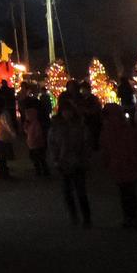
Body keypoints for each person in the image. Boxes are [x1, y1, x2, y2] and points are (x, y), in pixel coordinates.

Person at [48, 97, 91, 227]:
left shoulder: (80, 126)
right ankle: (73, 216)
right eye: (65, 111)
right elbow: (52, 144)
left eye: (69, 111)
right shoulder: (56, 127)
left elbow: (86, 143)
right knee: (67, 192)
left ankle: (86, 218)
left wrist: (84, 158)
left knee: (81, 192)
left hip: (78, 162)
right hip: (63, 162)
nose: (67, 113)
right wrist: (55, 159)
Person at [101, 103, 137, 228]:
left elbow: (106, 149)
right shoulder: (126, 128)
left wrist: (107, 162)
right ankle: (131, 217)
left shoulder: (109, 130)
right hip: (127, 164)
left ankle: (129, 217)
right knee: (129, 192)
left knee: (125, 192)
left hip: (120, 164)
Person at [23, 105, 49, 177]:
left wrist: (35, 139)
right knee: (35, 159)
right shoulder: (30, 123)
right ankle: (38, 171)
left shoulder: (36, 123)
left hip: (37, 144)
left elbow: (38, 133)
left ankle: (44, 171)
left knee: (40, 158)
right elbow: (27, 132)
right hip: (32, 144)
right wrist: (25, 127)